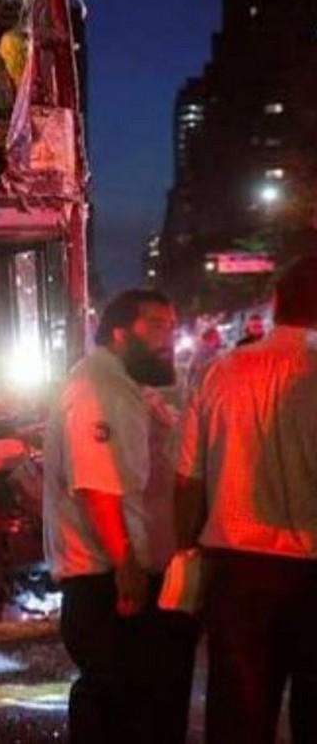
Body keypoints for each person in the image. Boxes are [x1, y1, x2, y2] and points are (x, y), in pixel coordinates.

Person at [43, 289, 196, 744]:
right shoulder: (99, 389)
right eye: (156, 325)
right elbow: (99, 487)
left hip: (124, 574)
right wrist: (127, 567)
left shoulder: (124, 386)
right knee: (121, 704)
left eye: (171, 326)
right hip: (108, 581)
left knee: (142, 699)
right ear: (119, 332)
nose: (168, 338)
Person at [176, 256, 317, 744]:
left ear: (275, 304)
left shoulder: (220, 371)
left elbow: (188, 479)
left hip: (238, 571)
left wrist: (186, 551)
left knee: (239, 713)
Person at [185, 326, 223, 393]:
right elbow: (202, 369)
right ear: (210, 338)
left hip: (197, 388)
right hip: (201, 388)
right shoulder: (206, 350)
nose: (219, 339)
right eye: (217, 337)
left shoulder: (203, 349)